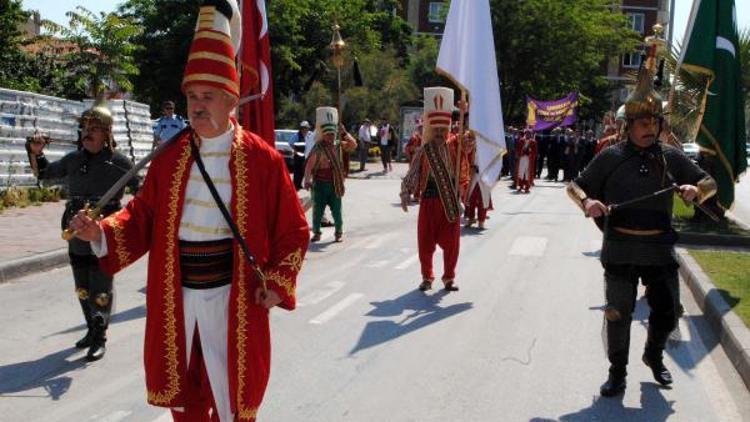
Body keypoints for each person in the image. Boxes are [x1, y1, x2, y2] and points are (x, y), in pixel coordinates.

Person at [69, 2, 309, 420]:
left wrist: (277, 279)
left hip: (233, 296)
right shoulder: (169, 156)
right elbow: (141, 218)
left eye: (208, 97)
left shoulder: (263, 160)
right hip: (177, 294)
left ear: (231, 99)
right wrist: (101, 232)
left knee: (235, 398)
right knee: (186, 401)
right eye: (192, 96)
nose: (197, 106)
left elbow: (293, 230)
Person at [566, 54, 717, 398]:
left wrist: (697, 189)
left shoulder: (672, 157)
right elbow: (575, 186)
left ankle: (653, 354)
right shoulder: (611, 157)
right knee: (618, 313)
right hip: (620, 246)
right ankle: (617, 372)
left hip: (659, 247)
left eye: (654, 122)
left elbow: (709, 183)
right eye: (643, 123)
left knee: (669, 311)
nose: (650, 128)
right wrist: (587, 202)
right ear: (628, 125)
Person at [26, 98, 138, 362]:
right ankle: (90, 329)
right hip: (75, 227)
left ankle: (100, 337)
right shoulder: (73, 159)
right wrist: (36, 152)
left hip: (103, 230)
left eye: (94, 128)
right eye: (85, 127)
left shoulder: (119, 162)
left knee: (100, 285)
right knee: (83, 286)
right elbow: (44, 174)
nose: (87, 132)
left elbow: (143, 191)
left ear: (107, 133)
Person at [400, 87, 469, 292]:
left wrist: (465, 113)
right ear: (430, 129)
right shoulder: (424, 150)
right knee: (425, 242)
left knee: (452, 244)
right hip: (429, 200)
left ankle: (449, 277)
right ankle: (427, 277)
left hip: (449, 200)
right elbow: (412, 173)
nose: (439, 133)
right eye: (436, 130)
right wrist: (405, 192)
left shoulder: (455, 145)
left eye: (443, 130)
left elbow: (470, 141)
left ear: (448, 129)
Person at [304, 107, 357, 242]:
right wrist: (307, 180)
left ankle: (338, 232)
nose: (331, 137)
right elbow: (309, 165)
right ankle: (316, 233)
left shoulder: (338, 145)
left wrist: (344, 132)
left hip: (335, 184)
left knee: (337, 212)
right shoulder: (318, 148)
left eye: (333, 134)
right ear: (324, 135)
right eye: (328, 135)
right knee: (317, 212)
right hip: (320, 185)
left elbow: (353, 145)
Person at [463, 130, 492, 229]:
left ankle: (481, 221)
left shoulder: (489, 147)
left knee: (483, 199)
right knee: (471, 198)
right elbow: (466, 152)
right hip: (473, 176)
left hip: (484, 176)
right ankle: (470, 218)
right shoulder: (473, 145)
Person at [291, 121, 313, 190]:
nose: (305, 129)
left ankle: (299, 184)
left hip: (306, 156)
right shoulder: (296, 135)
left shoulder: (309, 134)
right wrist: (295, 151)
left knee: (303, 171)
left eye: (306, 128)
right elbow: (291, 143)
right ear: (301, 128)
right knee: (297, 171)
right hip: (298, 156)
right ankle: (295, 185)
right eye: (304, 128)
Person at [514, 128, 537, 193]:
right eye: (526, 133)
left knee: (527, 173)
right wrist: (522, 152)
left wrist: (530, 152)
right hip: (522, 158)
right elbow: (518, 149)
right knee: (521, 172)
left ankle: (527, 187)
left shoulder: (533, 142)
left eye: (529, 133)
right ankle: (520, 186)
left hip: (529, 159)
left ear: (531, 134)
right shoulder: (521, 140)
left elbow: (535, 152)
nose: (527, 134)